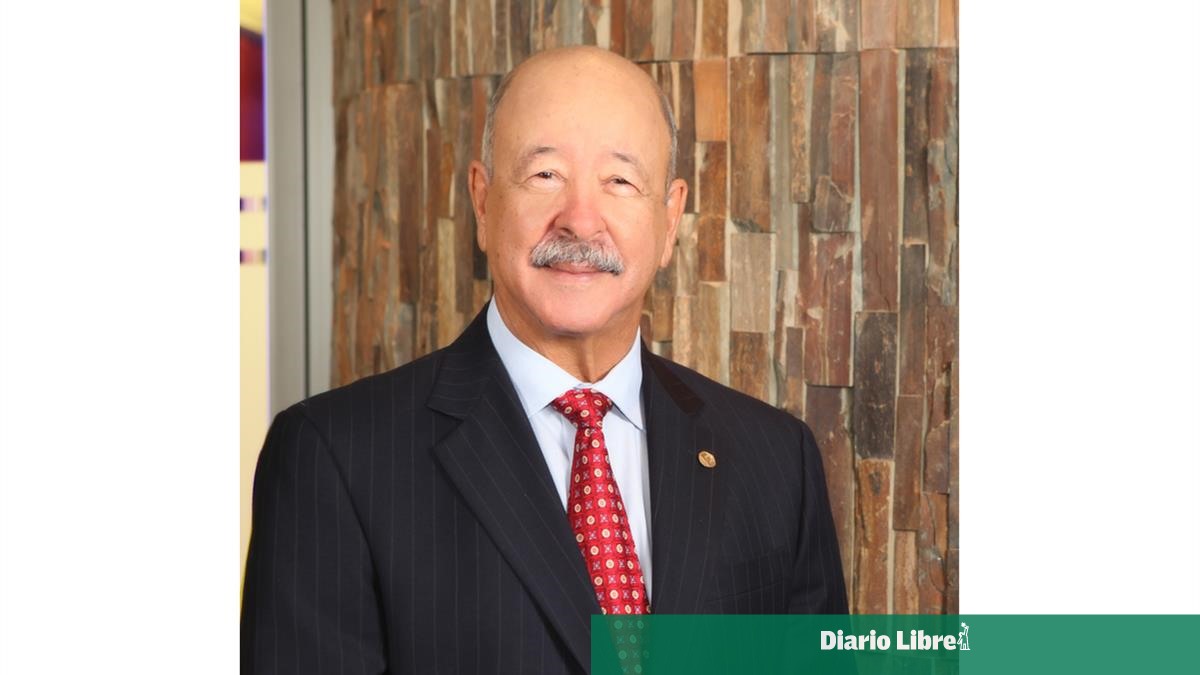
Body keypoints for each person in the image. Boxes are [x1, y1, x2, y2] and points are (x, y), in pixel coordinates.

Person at [241, 45, 847, 675]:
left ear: (669, 220)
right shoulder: (335, 458)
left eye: (620, 181)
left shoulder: (776, 460)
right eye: (545, 175)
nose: (580, 221)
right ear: (482, 201)